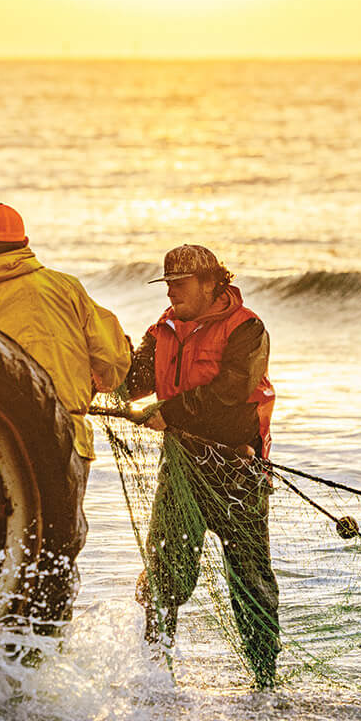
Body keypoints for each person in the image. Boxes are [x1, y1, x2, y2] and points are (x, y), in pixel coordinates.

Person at [0, 203, 132, 622]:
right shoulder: (65, 288)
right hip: (66, 435)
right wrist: (97, 377)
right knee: (59, 550)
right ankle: (50, 648)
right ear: (22, 244)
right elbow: (113, 359)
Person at [122, 244, 279, 686]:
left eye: (181, 283)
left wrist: (170, 413)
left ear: (212, 283)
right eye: (168, 283)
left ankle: (265, 682)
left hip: (238, 471)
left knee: (250, 583)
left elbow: (231, 394)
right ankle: (156, 678)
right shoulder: (164, 329)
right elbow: (133, 383)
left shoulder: (247, 330)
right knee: (162, 575)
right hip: (182, 471)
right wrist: (95, 369)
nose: (172, 291)